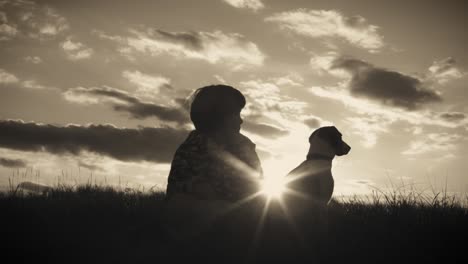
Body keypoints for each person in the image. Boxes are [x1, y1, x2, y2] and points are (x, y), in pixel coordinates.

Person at [166, 84, 263, 202]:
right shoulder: (192, 150)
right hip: (211, 213)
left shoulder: (243, 146)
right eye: (235, 114)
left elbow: (257, 188)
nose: (240, 120)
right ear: (220, 117)